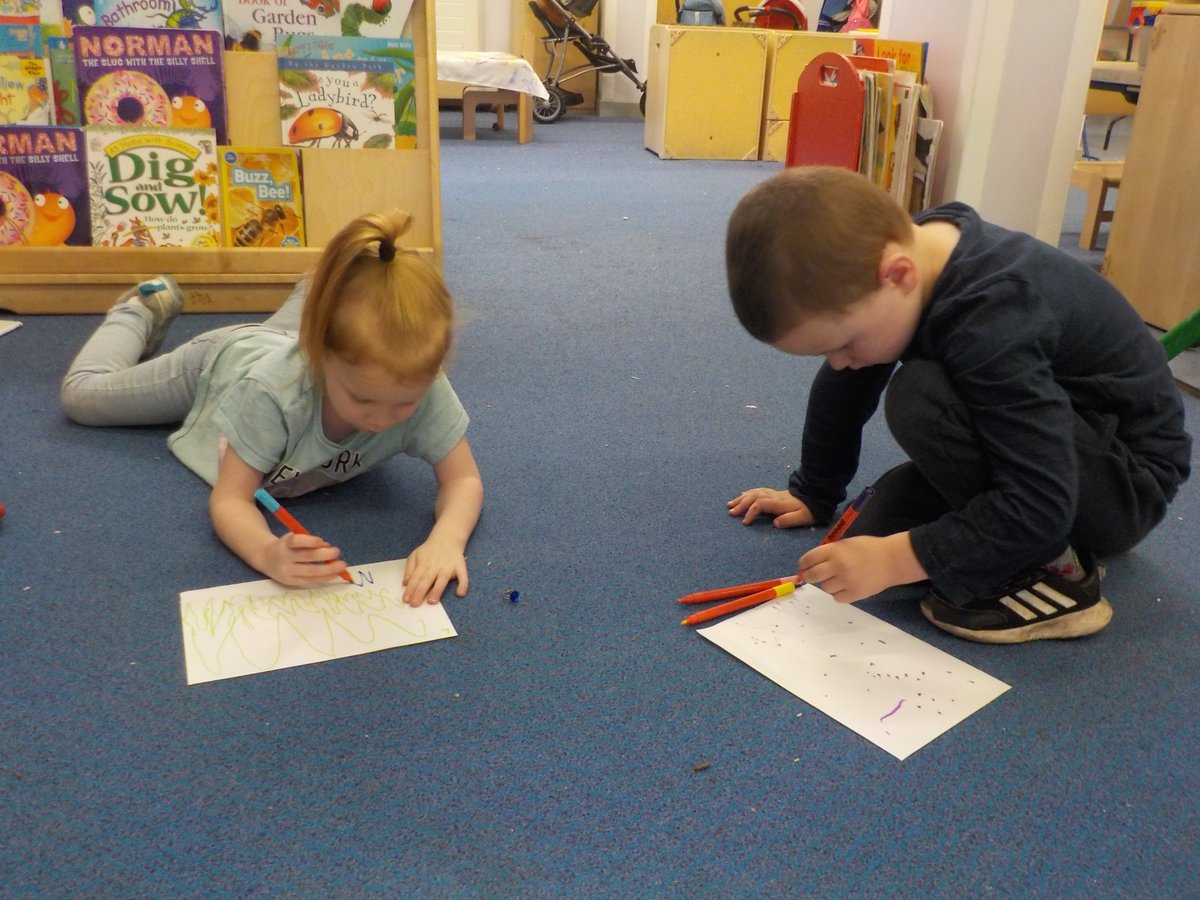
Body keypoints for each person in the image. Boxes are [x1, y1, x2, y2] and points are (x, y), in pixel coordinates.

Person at [724, 166, 1190, 643]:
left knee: (922, 399)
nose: (839, 363)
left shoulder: (991, 322)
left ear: (898, 275)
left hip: (1125, 484)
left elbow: (1042, 500)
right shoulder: (915, 252)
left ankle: (1059, 573)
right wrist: (814, 492)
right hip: (1054, 434)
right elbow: (846, 384)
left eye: (843, 344)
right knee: (877, 526)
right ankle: (992, 538)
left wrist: (893, 560)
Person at [62, 209, 483, 604]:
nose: (379, 419)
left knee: (325, 326)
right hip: (220, 363)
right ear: (319, 356)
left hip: (293, 347)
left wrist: (447, 539)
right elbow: (231, 501)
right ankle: (138, 308)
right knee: (82, 397)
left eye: (403, 404)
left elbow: (463, 480)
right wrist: (268, 553)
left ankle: (317, 287)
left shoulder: (420, 383)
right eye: (362, 399)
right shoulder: (272, 394)